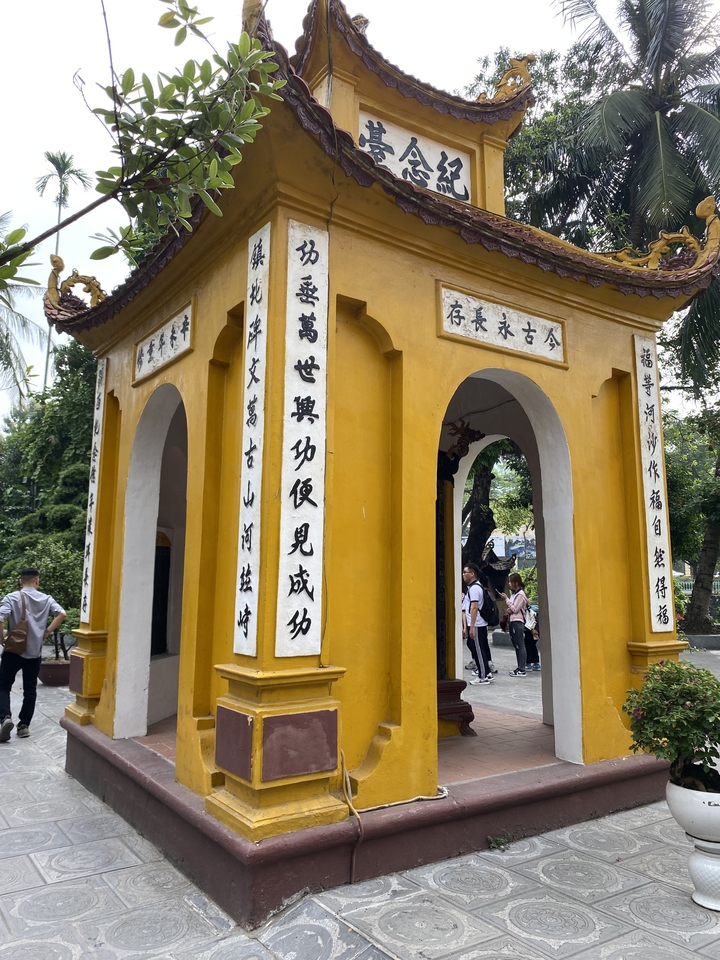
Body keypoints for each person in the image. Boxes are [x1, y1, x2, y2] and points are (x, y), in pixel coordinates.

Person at [0, 567, 66, 742]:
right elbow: (62, 614)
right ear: (37, 581)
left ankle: (5, 717)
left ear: (21, 581)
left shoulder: (12, 597)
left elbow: (0, 617)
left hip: (13, 650)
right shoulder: (46, 599)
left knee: (3, 685)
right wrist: (47, 631)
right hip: (34, 653)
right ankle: (24, 726)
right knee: (30, 689)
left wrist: (2, 639)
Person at [461, 563, 493, 685]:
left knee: (478, 650)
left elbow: (474, 608)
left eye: (465, 572)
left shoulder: (474, 588)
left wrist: (472, 626)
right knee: (477, 648)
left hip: (477, 624)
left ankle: (483, 676)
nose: (463, 575)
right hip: (476, 624)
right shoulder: (473, 587)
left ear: (472, 574)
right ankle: (486, 672)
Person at [499, 573, 529, 677]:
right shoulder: (514, 594)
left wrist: (506, 600)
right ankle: (519, 667)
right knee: (516, 645)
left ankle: (522, 669)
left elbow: (515, 609)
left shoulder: (520, 595)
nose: (509, 584)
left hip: (518, 621)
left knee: (520, 645)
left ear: (516, 582)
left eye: (511, 582)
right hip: (512, 621)